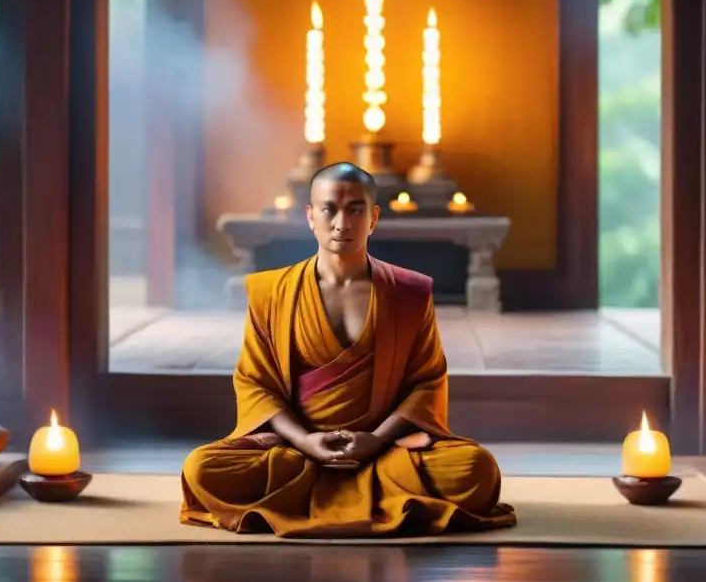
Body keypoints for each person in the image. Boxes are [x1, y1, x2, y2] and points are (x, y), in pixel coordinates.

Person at [180, 162, 516, 537]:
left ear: (373, 218)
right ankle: (382, 500)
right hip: (299, 451)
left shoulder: (408, 292)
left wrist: (376, 439)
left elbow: (426, 382)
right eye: (329, 209)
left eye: (355, 209)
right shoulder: (271, 293)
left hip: (384, 450)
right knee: (202, 468)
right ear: (310, 216)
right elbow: (256, 384)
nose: (342, 222)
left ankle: (314, 498)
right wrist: (305, 439)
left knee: (476, 469)